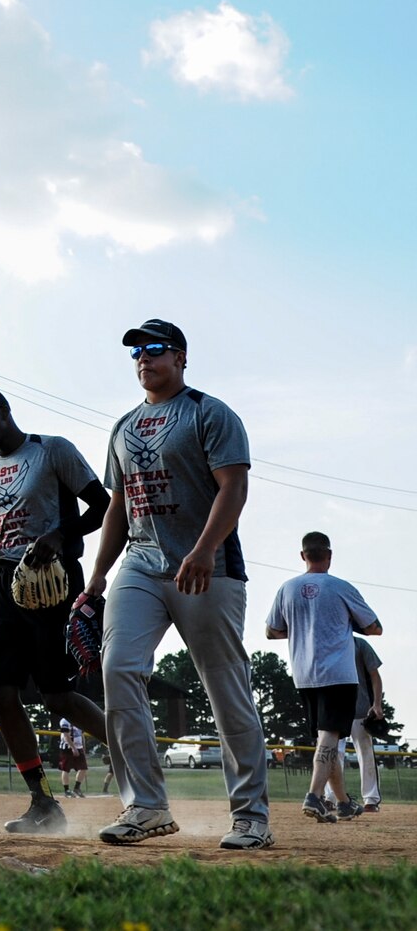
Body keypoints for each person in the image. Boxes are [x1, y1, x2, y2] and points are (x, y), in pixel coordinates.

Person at [79, 319, 273, 851]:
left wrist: (205, 549)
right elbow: (119, 505)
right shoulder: (123, 427)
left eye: (156, 348)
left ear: (181, 357)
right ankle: (146, 805)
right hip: (140, 566)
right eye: (137, 351)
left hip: (207, 567)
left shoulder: (210, 413)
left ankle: (251, 816)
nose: (145, 357)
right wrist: (97, 576)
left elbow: (233, 487)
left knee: (223, 687)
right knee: (117, 668)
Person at [0, 387, 112, 835]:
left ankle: (131, 760)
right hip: (8, 580)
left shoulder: (51, 451)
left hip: (54, 578)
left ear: (4, 413)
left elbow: (101, 507)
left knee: (57, 695)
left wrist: (60, 536)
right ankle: (43, 801)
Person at [266, 532, 382, 822]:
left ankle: (343, 802)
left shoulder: (287, 588)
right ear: (329, 555)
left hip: (304, 674)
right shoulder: (340, 587)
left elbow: (272, 631)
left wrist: (305, 628)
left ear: (303, 555)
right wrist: (341, 623)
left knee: (326, 739)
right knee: (330, 738)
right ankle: (314, 796)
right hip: (338, 674)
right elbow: (374, 628)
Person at [331, 636, 386, 814]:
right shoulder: (328, 642)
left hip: (361, 708)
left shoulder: (359, 644)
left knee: (365, 753)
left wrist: (376, 704)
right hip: (335, 709)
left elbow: (375, 675)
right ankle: (330, 798)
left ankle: (370, 800)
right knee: (333, 753)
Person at [56, 718, 88, 799]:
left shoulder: (79, 720)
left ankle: (77, 788)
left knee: (83, 768)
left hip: (79, 747)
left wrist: (83, 748)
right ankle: (66, 790)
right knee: (66, 769)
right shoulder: (65, 720)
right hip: (67, 748)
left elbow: (82, 735)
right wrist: (73, 748)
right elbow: (66, 735)